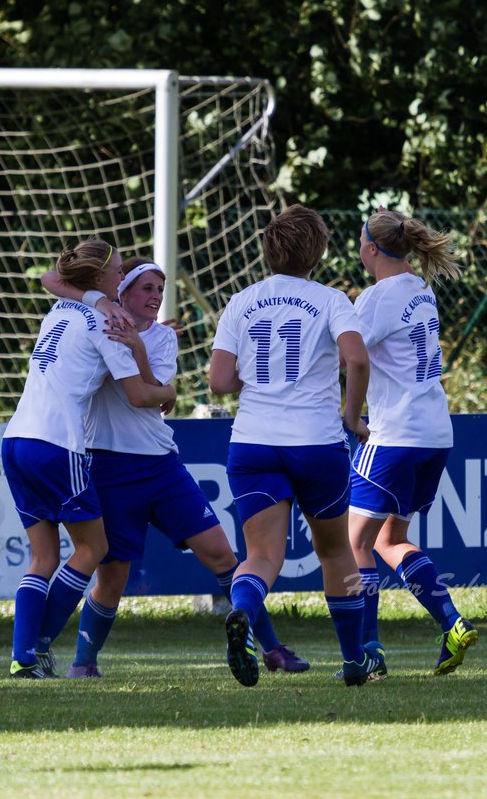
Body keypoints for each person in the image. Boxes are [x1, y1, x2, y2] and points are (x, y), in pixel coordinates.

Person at [37, 257, 311, 677]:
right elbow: (147, 394)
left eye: (159, 290)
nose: (155, 297)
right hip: (109, 467)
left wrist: (140, 349)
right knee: (112, 578)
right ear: (122, 292)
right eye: (146, 288)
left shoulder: (163, 338)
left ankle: (271, 648)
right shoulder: (96, 323)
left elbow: (150, 388)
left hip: (162, 468)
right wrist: (100, 305)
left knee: (223, 554)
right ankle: (81, 664)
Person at [209, 204, 380, 687]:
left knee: (261, 556)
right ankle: (353, 661)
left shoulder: (241, 301)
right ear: (319, 252)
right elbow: (357, 359)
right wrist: (351, 416)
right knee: (335, 553)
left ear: (268, 250)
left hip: (253, 443)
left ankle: (242, 614)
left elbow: (219, 381)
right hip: (315, 444)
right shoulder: (330, 300)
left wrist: (265, 381)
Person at [1, 239, 175, 679]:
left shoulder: (59, 309)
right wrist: (169, 390)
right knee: (93, 548)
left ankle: (23, 656)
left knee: (42, 558)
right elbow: (139, 396)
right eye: (118, 271)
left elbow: (52, 280)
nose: (122, 277)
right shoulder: (107, 321)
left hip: (16, 439)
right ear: (98, 278)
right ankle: (39, 643)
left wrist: (98, 298)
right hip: (59, 445)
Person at [347, 210, 477, 676]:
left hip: (396, 435)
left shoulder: (378, 299)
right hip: (434, 432)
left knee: (353, 541)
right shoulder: (422, 292)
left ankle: (369, 650)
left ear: (370, 249)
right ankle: (452, 623)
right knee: (389, 539)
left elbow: (351, 356)